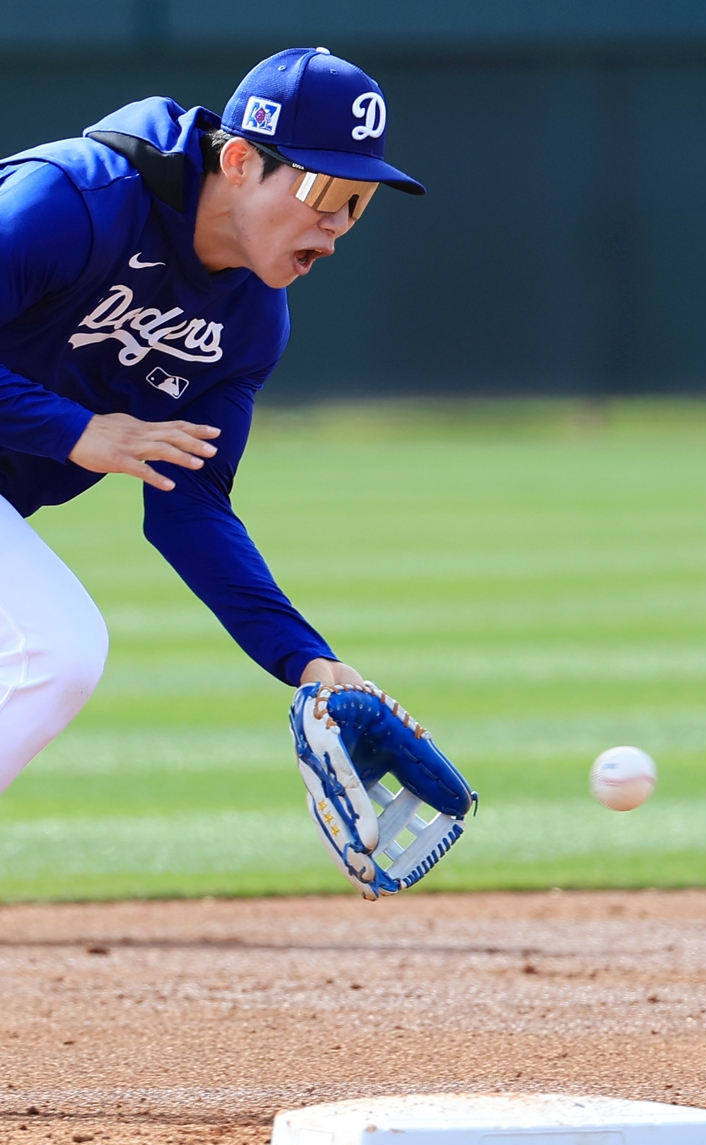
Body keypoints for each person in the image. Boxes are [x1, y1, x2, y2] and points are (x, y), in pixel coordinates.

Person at [0, 47, 424, 795]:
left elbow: (189, 506)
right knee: (57, 649)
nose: (335, 227)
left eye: (359, 203)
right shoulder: (73, 201)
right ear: (237, 161)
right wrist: (76, 431)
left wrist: (310, 660)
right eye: (325, 190)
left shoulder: (253, 323)